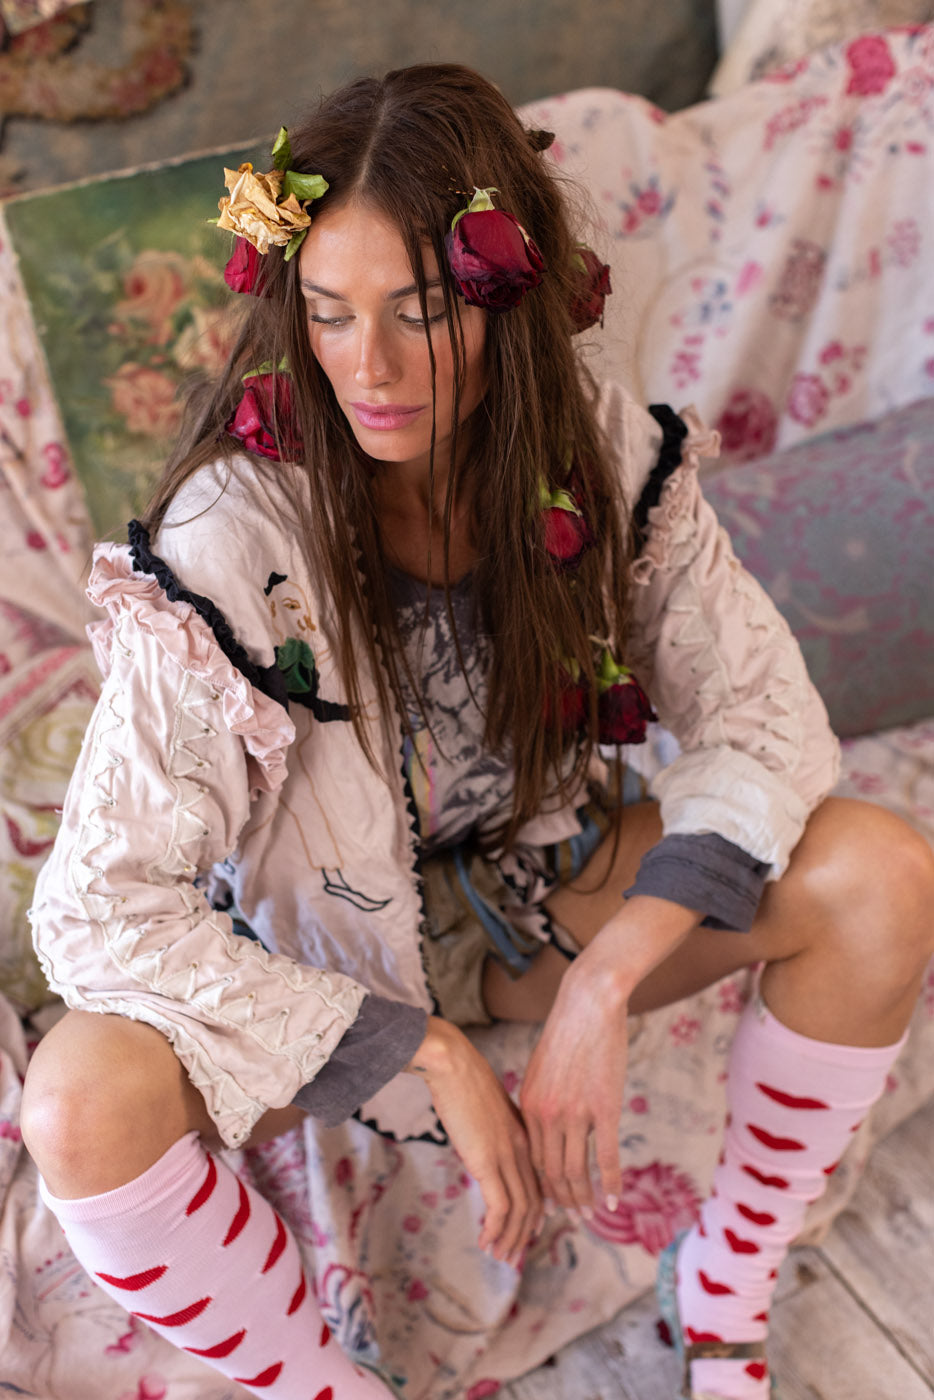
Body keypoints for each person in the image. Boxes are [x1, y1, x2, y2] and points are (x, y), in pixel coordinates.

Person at [20, 62, 934, 1400]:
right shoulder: (230, 536)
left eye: (419, 312)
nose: (367, 369)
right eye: (328, 316)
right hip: (306, 959)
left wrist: (613, 976)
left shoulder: (603, 455)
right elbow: (97, 912)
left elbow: (758, 713)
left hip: (526, 897)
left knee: (877, 870)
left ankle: (726, 1297)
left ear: (508, 303)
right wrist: (422, 1046)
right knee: (77, 1096)